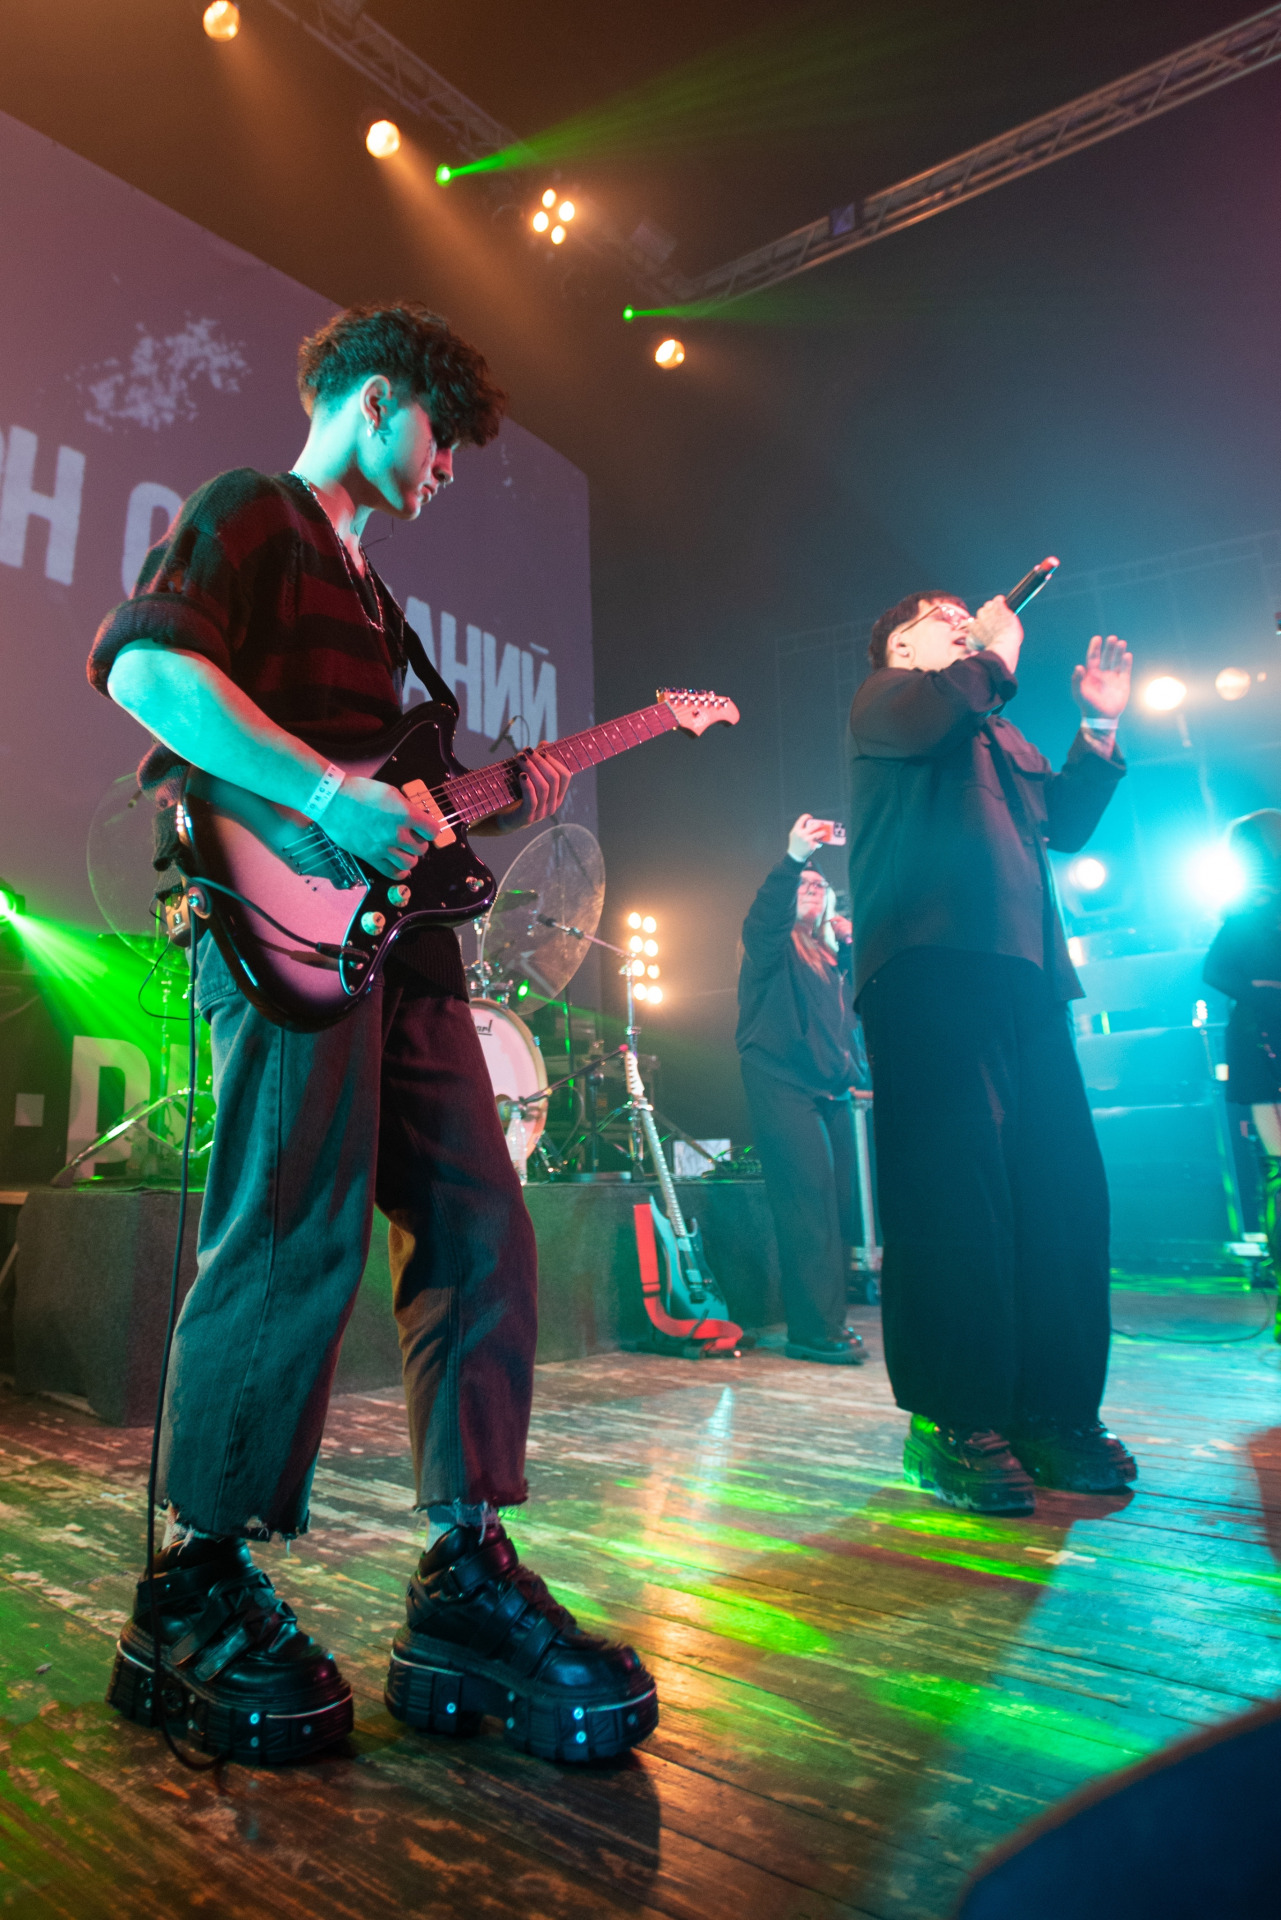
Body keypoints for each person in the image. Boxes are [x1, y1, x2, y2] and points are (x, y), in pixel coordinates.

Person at [87, 301, 657, 1766]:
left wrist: (457, 803)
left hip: (406, 953)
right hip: (284, 936)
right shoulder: (254, 514)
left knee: (479, 1221)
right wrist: (329, 799)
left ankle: (464, 1570)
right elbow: (147, 670)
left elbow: (409, 794)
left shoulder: (379, 598)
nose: (450, 468)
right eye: (442, 436)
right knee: (288, 1233)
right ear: (375, 398)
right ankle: (193, 1582)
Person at [847, 588, 1138, 1514]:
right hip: (928, 969)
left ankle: (1052, 1411)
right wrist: (994, 655)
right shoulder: (889, 701)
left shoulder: (993, 731)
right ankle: (950, 1421)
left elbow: (1065, 821)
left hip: (1026, 977)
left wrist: (1097, 723)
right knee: (953, 1199)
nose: (957, 619)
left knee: (1059, 1194)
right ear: (897, 645)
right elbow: (944, 705)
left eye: (959, 614)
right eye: (934, 615)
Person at [736, 819, 870, 1363]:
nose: (812, 888)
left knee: (834, 1204)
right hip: (781, 1082)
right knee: (807, 1202)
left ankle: (827, 1320)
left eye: (819, 884)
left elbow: (858, 1013)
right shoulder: (772, 949)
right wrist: (792, 858)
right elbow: (764, 918)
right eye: (802, 885)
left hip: (829, 1089)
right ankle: (814, 1331)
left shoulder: (831, 956)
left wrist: (855, 951)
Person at [1203, 809, 1281, 1338]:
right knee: (1278, 1168)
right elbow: (1216, 969)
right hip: (1263, 1049)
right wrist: (1261, 992)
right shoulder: (1245, 912)